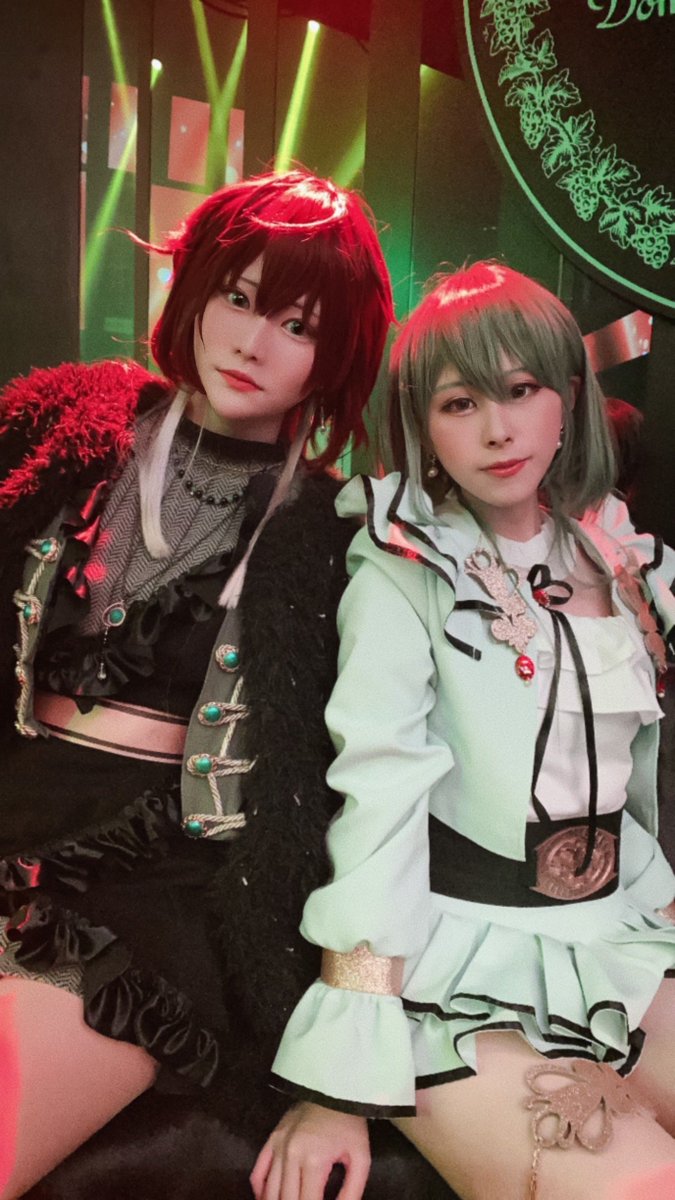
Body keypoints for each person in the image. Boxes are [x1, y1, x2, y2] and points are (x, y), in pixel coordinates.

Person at [0, 169, 394, 1198]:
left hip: (157, 887)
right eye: (238, 296)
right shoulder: (69, 424)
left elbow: (371, 794)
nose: (253, 342)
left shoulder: (335, 532)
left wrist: (344, 1061)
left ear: (337, 354)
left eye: (297, 326)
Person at [253, 262, 675, 1200]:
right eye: (459, 402)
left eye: (520, 390)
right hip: (457, 959)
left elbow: (623, 778)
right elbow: (380, 800)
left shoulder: (619, 557)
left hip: (616, 937)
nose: (497, 429)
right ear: (423, 423)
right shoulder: (404, 565)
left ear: (568, 397)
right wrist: (339, 1075)